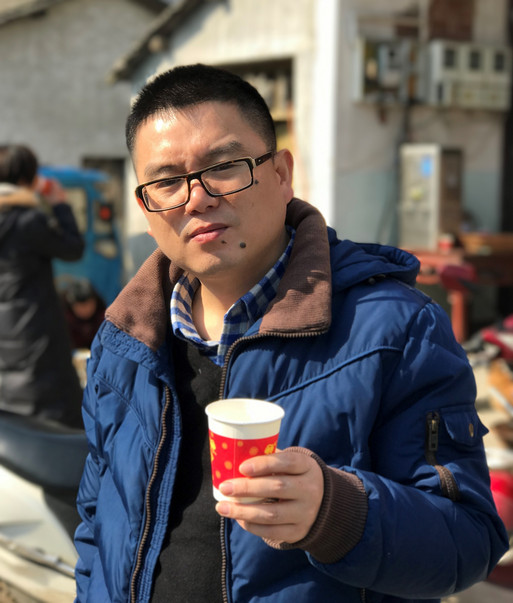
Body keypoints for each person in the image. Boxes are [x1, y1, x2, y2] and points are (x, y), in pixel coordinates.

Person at [74, 64, 508, 602]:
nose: (196, 198)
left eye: (224, 167)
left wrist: (335, 512)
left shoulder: (395, 329)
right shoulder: (125, 342)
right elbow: (95, 525)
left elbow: (468, 541)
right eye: (166, 182)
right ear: (145, 208)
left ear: (281, 173)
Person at [0, 144, 84, 428]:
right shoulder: (27, 220)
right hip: (35, 341)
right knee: (57, 429)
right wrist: (59, 204)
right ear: (28, 178)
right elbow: (72, 248)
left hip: (5, 348)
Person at [61, 278, 106, 350]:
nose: (85, 310)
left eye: (88, 304)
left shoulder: (103, 318)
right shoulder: (65, 319)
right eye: (80, 306)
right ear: (72, 305)